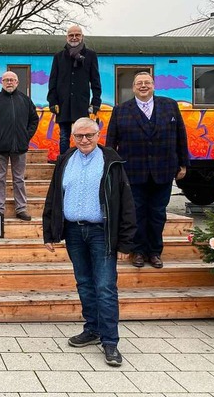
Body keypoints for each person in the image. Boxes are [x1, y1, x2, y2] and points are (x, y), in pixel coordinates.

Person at [43, 117, 135, 367]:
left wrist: (127, 242)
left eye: (89, 135)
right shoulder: (65, 160)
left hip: (101, 233)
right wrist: (49, 231)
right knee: (84, 283)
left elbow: (125, 202)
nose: (84, 140)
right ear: (72, 137)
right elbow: (54, 196)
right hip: (73, 232)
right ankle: (92, 329)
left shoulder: (111, 161)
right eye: (79, 136)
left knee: (105, 287)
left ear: (98, 135)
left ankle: (110, 342)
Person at [106, 72, 188, 269]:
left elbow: (181, 137)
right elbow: (111, 143)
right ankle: (138, 251)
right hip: (133, 172)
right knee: (136, 213)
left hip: (164, 170)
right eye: (139, 83)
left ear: (153, 85)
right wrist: (111, 168)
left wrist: (183, 164)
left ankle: (155, 252)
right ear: (133, 87)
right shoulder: (121, 110)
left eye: (147, 82)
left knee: (158, 213)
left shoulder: (170, 106)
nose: (143, 86)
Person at [0, 71, 39, 220]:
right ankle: (0, 208)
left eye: (12, 80)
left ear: (17, 82)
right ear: (2, 82)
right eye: (6, 80)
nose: (9, 82)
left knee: (19, 179)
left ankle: (21, 209)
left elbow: (34, 120)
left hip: (20, 147)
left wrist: (26, 136)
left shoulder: (25, 100)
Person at [47, 25, 102, 155]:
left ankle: (83, 161)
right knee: (64, 137)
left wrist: (95, 103)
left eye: (77, 34)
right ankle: (64, 164)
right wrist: (52, 102)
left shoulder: (90, 56)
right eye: (71, 35)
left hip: (82, 104)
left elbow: (95, 81)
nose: (74, 37)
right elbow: (52, 81)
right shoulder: (58, 57)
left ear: (82, 36)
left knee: (83, 136)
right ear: (67, 37)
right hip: (63, 104)